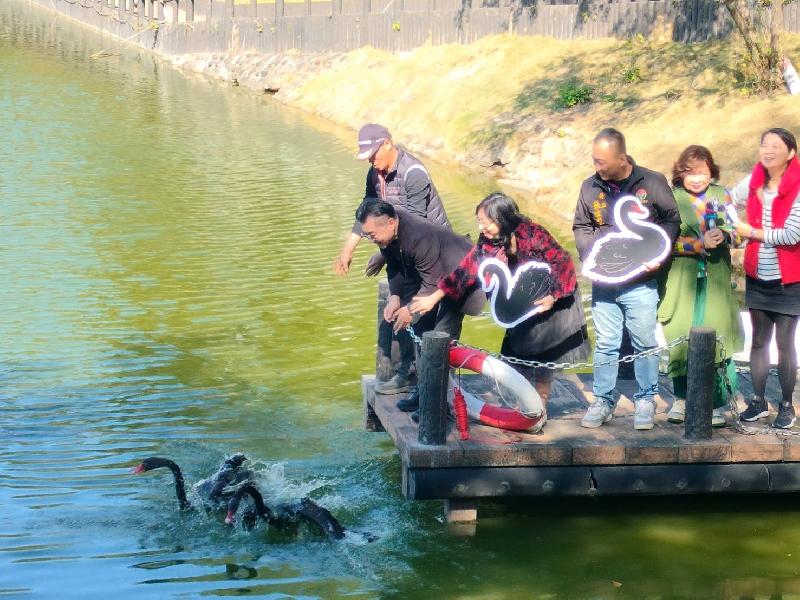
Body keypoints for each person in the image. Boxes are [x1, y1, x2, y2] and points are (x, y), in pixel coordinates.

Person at [409, 192, 590, 420]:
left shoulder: (532, 233)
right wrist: (434, 297)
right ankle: (522, 405)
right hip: (520, 302)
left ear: (503, 218)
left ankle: (539, 408)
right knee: (519, 352)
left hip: (549, 299)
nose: (482, 228)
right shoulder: (489, 240)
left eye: (487, 222)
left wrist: (553, 295)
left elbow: (562, 261)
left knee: (544, 358)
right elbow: (466, 269)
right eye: (480, 223)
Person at [573, 128, 681, 431]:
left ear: (621, 158)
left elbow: (671, 219)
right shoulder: (590, 187)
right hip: (604, 282)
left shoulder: (652, 182)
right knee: (606, 342)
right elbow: (581, 225)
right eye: (594, 161)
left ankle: (646, 399)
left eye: (601, 162)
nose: (597, 167)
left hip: (640, 279)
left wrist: (660, 253)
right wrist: (591, 257)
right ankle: (603, 400)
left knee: (644, 340)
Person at [355, 198, 483, 416]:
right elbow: (395, 265)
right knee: (421, 333)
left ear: (390, 224)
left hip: (460, 278)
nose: (369, 239)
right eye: (366, 234)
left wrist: (408, 309)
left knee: (439, 339)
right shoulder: (387, 237)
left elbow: (431, 282)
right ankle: (423, 391)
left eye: (372, 234)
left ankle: (436, 407)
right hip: (431, 281)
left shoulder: (418, 236)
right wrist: (396, 297)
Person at [657, 145, 744, 428]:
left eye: (703, 173)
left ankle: (715, 403)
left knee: (718, 338)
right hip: (682, 281)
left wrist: (727, 235)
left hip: (716, 279)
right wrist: (696, 244)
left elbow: (739, 232)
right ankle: (681, 399)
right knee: (682, 337)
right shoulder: (670, 199)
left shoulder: (723, 195)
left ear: (712, 172)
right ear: (680, 173)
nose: (697, 179)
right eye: (691, 173)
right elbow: (661, 242)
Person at [732, 128, 800, 429]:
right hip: (759, 272)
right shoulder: (754, 179)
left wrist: (752, 232)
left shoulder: (798, 185)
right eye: (764, 145)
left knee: (785, 343)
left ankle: (786, 406)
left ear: (791, 153)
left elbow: (792, 235)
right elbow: (727, 197)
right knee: (759, 341)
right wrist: (731, 225)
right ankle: (758, 402)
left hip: (790, 277)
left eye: (775, 146)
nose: (768, 150)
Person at [334, 123, 450, 277]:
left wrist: (383, 255)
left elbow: (415, 224)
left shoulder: (413, 173)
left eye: (373, 154)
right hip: (404, 250)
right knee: (397, 297)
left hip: (435, 251)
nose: (371, 160)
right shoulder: (374, 174)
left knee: (419, 299)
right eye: (368, 157)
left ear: (387, 144)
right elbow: (366, 212)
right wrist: (347, 250)